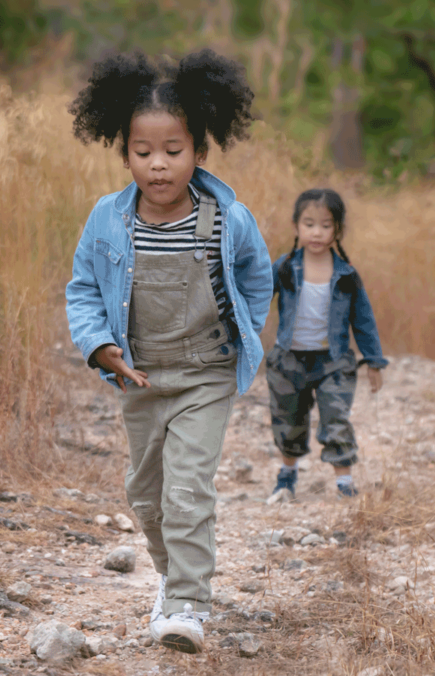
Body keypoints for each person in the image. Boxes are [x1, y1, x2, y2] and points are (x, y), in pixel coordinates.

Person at [65, 48, 272, 654]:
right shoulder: (108, 220)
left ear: (199, 152)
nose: (158, 165)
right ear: (124, 153)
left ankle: (187, 604)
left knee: (187, 490)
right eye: (143, 151)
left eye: (173, 151)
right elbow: (83, 288)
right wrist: (99, 344)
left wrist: (243, 334)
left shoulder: (228, 219)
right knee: (146, 496)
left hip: (206, 374)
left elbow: (256, 278)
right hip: (141, 376)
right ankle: (170, 576)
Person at [265, 188, 387, 504]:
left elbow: (363, 319)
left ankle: (344, 484)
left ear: (337, 229)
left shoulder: (346, 274)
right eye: (309, 224)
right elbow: (257, 299)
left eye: (326, 225)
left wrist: (374, 361)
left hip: (334, 362)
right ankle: (287, 475)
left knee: (336, 418)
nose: (317, 232)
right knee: (288, 420)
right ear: (296, 226)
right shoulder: (284, 267)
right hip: (288, 360)